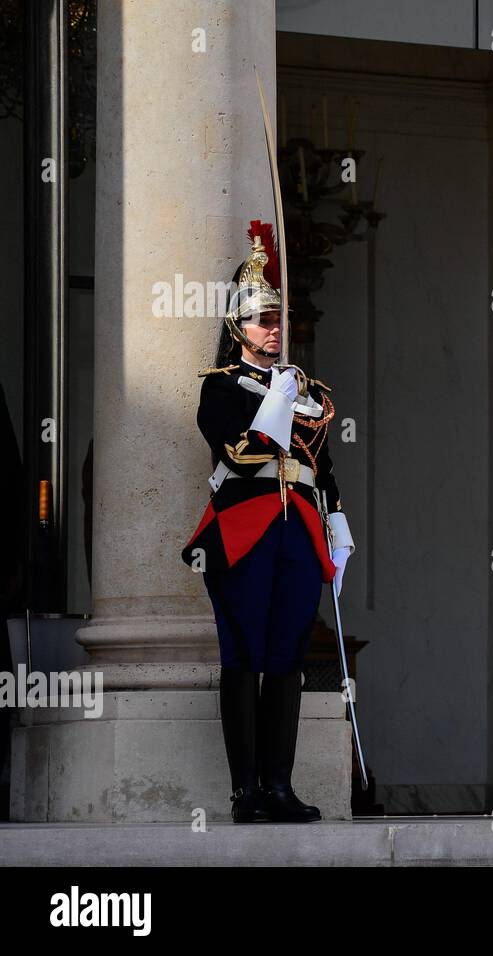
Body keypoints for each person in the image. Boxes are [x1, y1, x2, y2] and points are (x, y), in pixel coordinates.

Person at [181, 223, 355, 823]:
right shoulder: (221, 389)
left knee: (287, 655)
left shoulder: (304, 387)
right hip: (246, 526)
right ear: (237, 328)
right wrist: (275, 403)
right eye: (261, 320)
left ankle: (278, 785)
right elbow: (238, 453)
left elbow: (320, 462)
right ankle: (244, 791)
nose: (274, 328)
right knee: (245, 654)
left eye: (278, 318)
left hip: (299, 528)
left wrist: (336, 516)